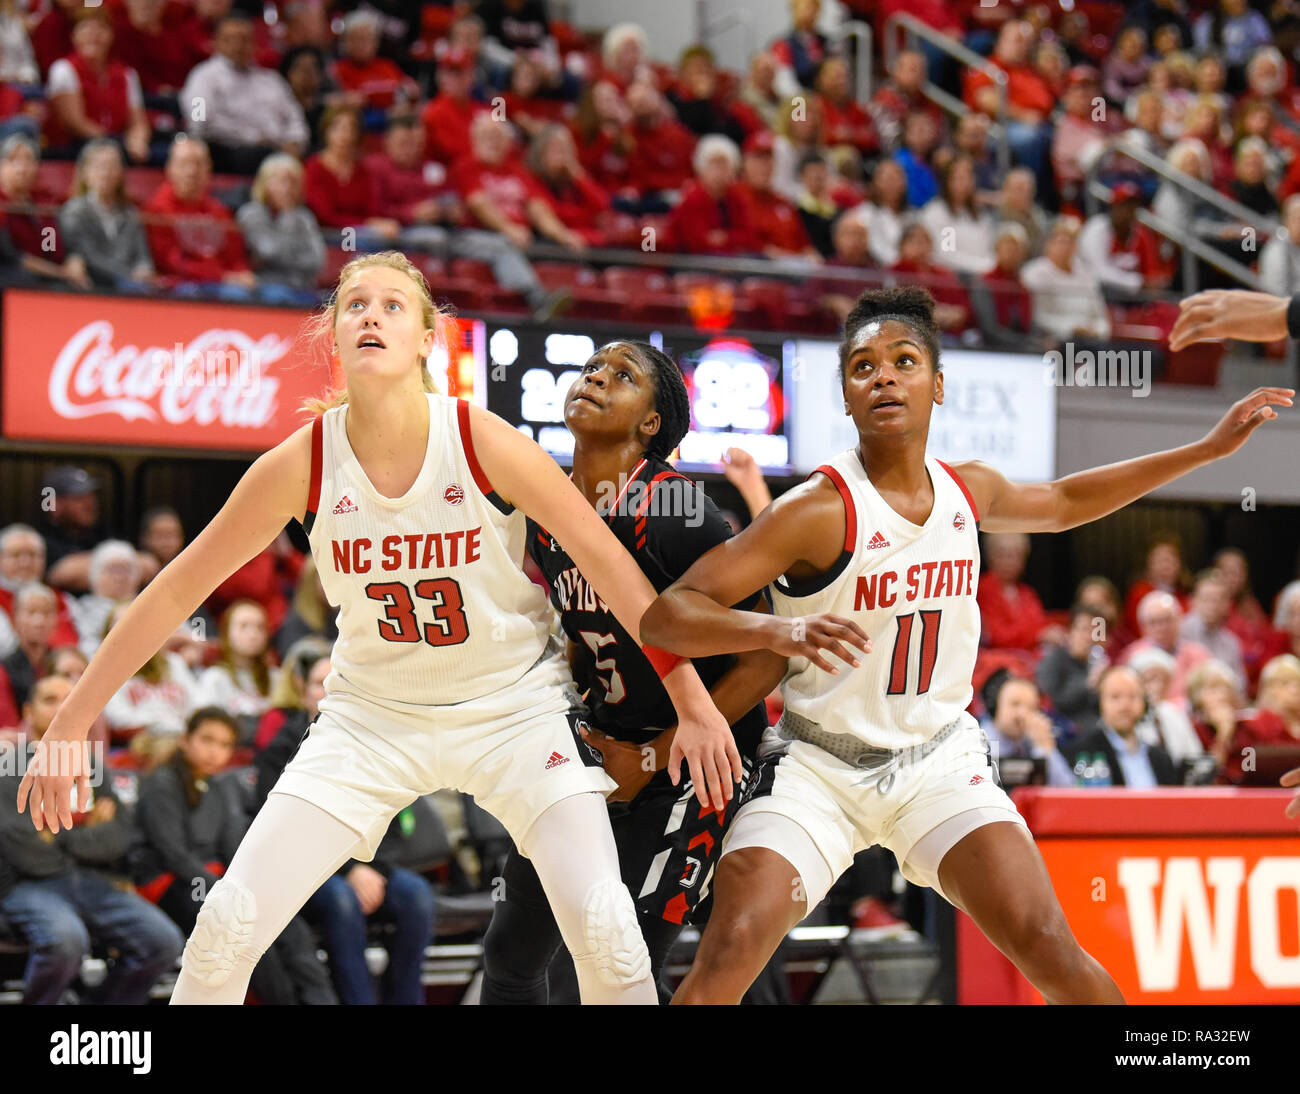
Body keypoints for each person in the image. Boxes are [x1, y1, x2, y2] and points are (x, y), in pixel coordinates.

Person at [17, 250, 748, 1007]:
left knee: (608, 939)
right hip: (371, 720)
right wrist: (71, 721)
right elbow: (173, 594)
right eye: (355, 304)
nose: (371, 315)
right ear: (332, 333)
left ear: (427, 336)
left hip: (514, 712)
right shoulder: (299, 463)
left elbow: (618, 576)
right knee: (225, 931)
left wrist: (693, 703)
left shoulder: (479, 438)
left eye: (394, 305)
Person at [640, 284, 1291, 1004]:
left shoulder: (967, 491)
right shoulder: (814, 511)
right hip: (819, 766)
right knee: (729, 951)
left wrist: (1204, 451)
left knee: (1052, 949)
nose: (883, 375)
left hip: (937, 762)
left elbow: (1071, 500)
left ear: (938, 384)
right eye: (863, 367)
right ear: (847, 399)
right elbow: (669, 616)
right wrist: (779, 629)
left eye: (904, 359)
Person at [480, 341, 785, 1004]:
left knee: (610, 969)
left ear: (651, 423)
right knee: (510, 952)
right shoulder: (547, 508)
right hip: (606, 748)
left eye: (621, 376)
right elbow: (586, 637)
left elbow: (768, 654)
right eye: (593, 368)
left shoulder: (679, 512)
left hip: (699, 762)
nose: (597, 378)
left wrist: (658, 750)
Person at [132, 706, 336, 1003]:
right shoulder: (161, 783)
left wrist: (252, 886)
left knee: (287, 923)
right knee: (239, 927)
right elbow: (173, 854)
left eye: (225, 745)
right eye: (207, 740)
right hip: (169, 883)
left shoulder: (220, 788)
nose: (215, 752)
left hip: (214, 880)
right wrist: (225, 891)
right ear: (185, 740)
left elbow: (234, 848)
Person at [1, 676, 185, 1003]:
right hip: (28, 884)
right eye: (50, 699)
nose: (61, 709)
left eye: (69, 701)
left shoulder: (92, 767)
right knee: (66, 942)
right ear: (28, 710)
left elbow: (118, 838)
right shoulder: (8, 767)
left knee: (163, 942)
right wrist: (86, 833)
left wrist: (56, 836)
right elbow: (22, 848)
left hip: (91, 879)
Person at [180, 14, 309, 175]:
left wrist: (295, 141)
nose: (238, 45)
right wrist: (252, 137)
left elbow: (294, 116)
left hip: (278, 148)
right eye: (230, 39)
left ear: (253, 44)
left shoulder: (271, 80)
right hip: (232, 150)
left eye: (244, 39)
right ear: (217, 43)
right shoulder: (202, 77)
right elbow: (199, 120)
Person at [57, 138, 156, 291]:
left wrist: (144, 271)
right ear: (84, 172)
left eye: (112, 166)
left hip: (133, 289)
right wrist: (127, 276)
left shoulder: (130, 213)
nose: (106, 173)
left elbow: (142, 257)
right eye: (99, 166)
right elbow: (85, 256)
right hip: (94, 289)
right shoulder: (74, 211)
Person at [1068, 666, 1181, 787]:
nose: (1125, 705)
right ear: (1099, 702)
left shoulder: (1161, 759)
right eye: (1115, 697)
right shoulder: (1082, 753)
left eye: (1133, 696)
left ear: (1145, 703)